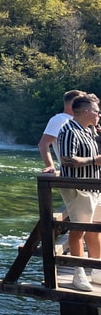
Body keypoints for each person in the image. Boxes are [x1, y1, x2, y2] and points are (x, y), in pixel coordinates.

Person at [57, 93, 101, 291]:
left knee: (95, 229)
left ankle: (97, 271)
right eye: (97, 111)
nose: (99, 115)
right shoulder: (69, 131)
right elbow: (67, 160)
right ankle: (79, 274)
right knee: (78, 231)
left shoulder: (88, 130)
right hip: (79, 189)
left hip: (94, 188)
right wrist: (94, 161)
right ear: (86, 112)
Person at [39, 89, 85, 173]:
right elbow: (43, 144)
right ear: (73, 103)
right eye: (82, 103)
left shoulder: (79, 120)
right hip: (71, 173)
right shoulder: (60, 119)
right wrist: (50, 166)